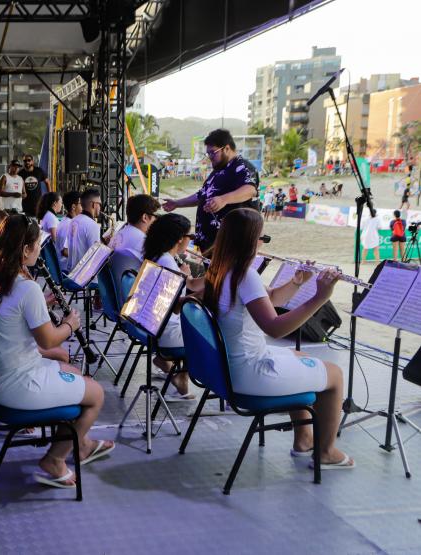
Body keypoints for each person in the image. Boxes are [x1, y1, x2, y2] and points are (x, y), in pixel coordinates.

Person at [203, 208, 353, 469]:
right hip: (250, 373)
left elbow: (269, 302)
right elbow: (275, 328)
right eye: (263, 237)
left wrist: (297, 283)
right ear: (250, 240)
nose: (263, 243)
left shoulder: (222, 270)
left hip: (230, 367)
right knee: (335, 375)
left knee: (300, 357)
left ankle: (304, 439)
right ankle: (326, 451)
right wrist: (320, 297)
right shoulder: (245, 275)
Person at [0, 215, 113, 488]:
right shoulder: (26, 288)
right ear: (25, 249)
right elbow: (49, 340)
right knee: (96, 394)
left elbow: (14, 318)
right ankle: (55, 459)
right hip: (18, 383)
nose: (39, 249)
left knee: (71, 370)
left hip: (2, 373)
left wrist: (40, 304)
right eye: (37, 244)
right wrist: (70, 325)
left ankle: (81, 444)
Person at [0, 216, 68, 364]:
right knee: (62, 354)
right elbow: (45, 340)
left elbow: (5, 306)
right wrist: (69, 324)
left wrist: (41, 302)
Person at [162, 129, 258, 252]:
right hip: (210, 243)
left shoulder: (242, 166)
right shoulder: (218, 170)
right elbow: (202, 195)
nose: (210, 157)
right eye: (208, 153)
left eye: (213, 152)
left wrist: (224, 199)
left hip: (229, 243)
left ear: (226, 148)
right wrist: (177, 203)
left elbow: (250, 189)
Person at [141, 213, 200, 401]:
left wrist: (216, 274)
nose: (190, 241)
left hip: (154, 325)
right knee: (213, 333)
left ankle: (174, 369)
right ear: (180, 239)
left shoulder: (160, 256)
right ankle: (181, 375)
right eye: (189, 237)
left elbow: (191, 285)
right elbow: (173, 307)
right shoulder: (168, 263)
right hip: (165, 330)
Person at [108, 194, 159, 259]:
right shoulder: (144, 242)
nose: (156, 220)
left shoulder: (119, 233)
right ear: (145, 217)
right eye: (156, 216)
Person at [66, 188, 105, 271]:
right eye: (100, 204)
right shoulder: (92, 225)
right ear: (94, 204)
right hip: (85, 278)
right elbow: (95, 255)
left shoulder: (73, 221)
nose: (100, 207)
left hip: (72, 273)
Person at [56, 191, 81, 271]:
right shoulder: (70, 224)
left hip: (63, 267)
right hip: (67, 270)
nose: (84, 207)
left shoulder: (65, 220)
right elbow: (65, 252)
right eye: (81, 204)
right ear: (73, 207)